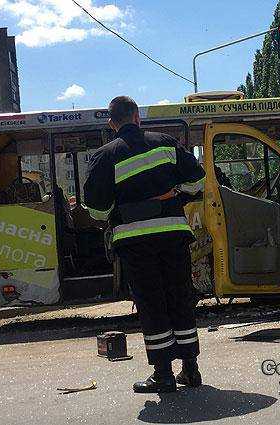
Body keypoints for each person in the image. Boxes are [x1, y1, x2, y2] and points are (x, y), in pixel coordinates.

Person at [83, 96, 205, 393]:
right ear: (137, 117)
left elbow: (97, 210)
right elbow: (197, 183)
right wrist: (173, 194)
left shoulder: (104, 156)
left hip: (136, 242)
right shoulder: (165, 142)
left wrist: (123, 207)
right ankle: (191, 369)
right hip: (173, 234)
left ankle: (163, 374)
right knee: (179, 296)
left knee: (152, 302)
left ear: (112, 123)